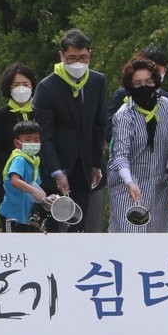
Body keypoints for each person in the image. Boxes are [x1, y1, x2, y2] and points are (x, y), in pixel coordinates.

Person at [35, 28, 106, 232]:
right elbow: (44, 136)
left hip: (83, 167)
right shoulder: (47, 87)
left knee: (78, 225)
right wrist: (57, 171)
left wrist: (95, 163)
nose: (78, 63)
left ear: (89, 54)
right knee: (51, 227)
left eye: (83, 58)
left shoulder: (97, 81)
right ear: (62, 56)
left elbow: (99, 125)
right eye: (72, 58)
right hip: (55, 167)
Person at [108, 57, 168, 232]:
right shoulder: (124, 115)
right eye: (138, 84)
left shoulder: (166, 105)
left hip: (160, 187)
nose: (144, 87)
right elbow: (120, 155)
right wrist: (129, 181)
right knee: (131, 239)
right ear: (130, 87)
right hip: (129, 187)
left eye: (148, 82)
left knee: (159, 242)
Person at [0, 62, 37, 208]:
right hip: (9, 181)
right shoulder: (1, 115)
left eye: (25, 84)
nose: (21, 88)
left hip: (39, 182)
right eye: (16, 85)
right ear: (8, 87)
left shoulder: (41, 113)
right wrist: (18, 168)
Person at [0, 120, 49, 233]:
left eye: (36, 140)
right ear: (17, 143)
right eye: (27, 140)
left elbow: (36, 187)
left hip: (25, 213)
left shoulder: (33, 161)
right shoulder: (19, 159)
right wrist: (33, 191)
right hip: (13, 214)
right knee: (14, 248)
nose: (33, 143)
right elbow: (15, 181)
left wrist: (45, 200)